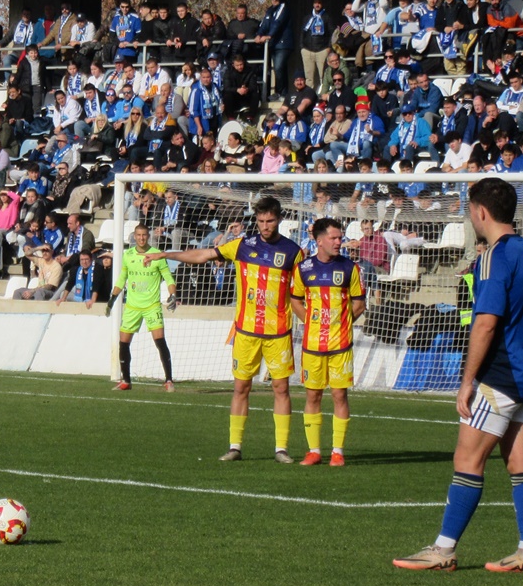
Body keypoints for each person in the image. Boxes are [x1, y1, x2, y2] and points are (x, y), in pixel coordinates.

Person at [394, 177, 523, 575]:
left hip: (504, 374)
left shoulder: (495, 257)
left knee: (467, 457)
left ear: (480, 212)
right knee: (521, 463)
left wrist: (467, 381)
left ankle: (443, 549)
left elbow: (484, 324)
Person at [150, 197, 302, 461]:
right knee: (241, 388)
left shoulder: (293, 252)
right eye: (261, 221)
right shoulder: (242, 246)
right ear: (256, 221)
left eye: (270, 221)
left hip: (278, 332)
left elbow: (302, 290)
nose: (265, 226)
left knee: (281, 388)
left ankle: (281, 449)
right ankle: (235, 447)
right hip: (246, 331)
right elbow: (203, 255)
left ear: (279, 220)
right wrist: (166, 254)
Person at [289, 217, 366, 467]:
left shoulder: (349, 268)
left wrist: (342, 323)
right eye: (333, 238)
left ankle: (337, 451)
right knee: (312, 397)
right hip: (312, 345)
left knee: (339, 395)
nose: (338, 242)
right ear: (319, 240)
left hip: (340, 345)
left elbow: (359, 303)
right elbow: (295, 300)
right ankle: (313, 451)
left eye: (340, 237)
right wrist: (311, 323)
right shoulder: (303, 269)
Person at [107, 225, 177, 390]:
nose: (141, 238)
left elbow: (169, 278)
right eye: (138, 235)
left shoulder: (157, 255)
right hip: (132, 306)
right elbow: (122, 278)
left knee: (160, 341)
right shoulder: (128, 255)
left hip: (152, 306)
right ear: (134, 236)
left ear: (148, 236)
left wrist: (173, 295)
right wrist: (112, 298)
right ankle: (126, 381)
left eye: (144, 235)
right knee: (123, 343)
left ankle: (168, 380)